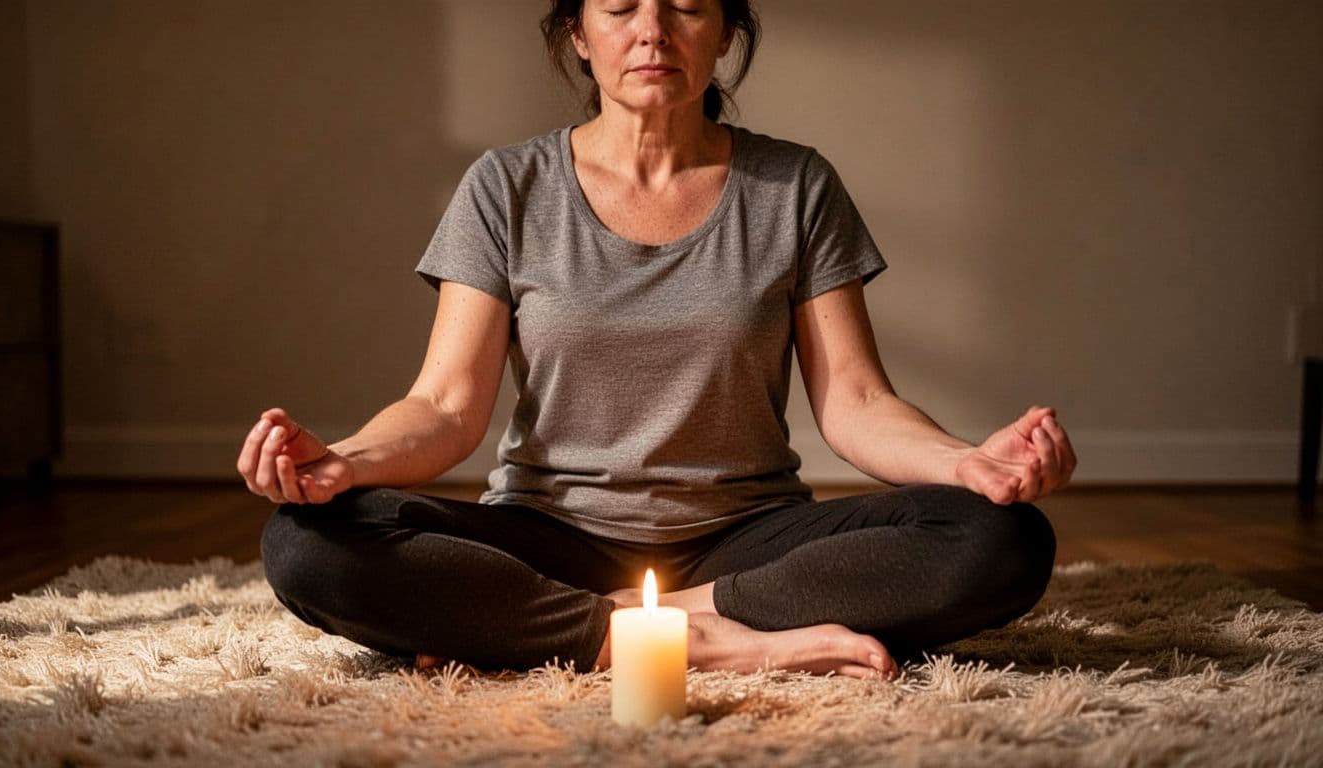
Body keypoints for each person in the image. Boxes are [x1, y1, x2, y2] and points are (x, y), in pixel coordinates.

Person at [241, 0, 1075, 681]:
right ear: (578, 32)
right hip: (552, 535)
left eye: (685, 5)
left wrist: (969, 463)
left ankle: (565, 634)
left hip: (744, 543)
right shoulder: (506, 186)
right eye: (619, 7)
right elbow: (445, 407)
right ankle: (714, 646)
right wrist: (344, 462)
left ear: (725, 30)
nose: (653, 31)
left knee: (1000, 540)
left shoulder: (795, 185)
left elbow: (857, 404)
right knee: (304, 542)